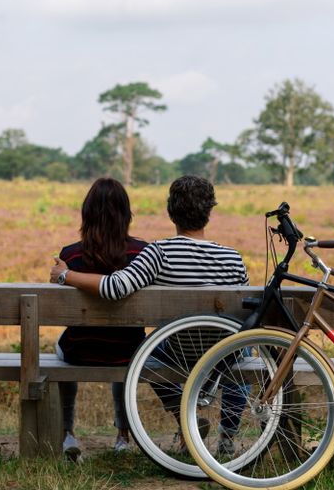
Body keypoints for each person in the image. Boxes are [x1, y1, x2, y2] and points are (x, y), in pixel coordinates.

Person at [51, 175, 248, 455]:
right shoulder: (233, 257)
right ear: (209, 212)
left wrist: (65, 275)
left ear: (170, 213)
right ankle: (227, 437)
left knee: (141, 352)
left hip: (178, 349)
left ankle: (184, 412)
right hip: (222, 352)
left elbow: (116, 287)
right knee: (246, 349)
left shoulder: (158, 253)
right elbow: (242, 311)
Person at [53, 177, 148, 462]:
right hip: (129, 352)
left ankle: (67, 433)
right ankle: (122, 437)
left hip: (80, 351)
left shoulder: (69, 256)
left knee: (58, 350)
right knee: (125, 349)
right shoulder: (142, 254)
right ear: (126, 214)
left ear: (87, 213)